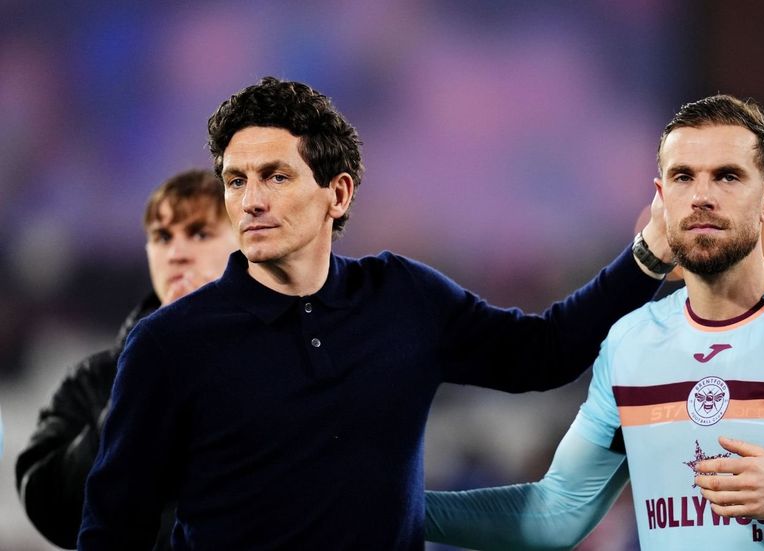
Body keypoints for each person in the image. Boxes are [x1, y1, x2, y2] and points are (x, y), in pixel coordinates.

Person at [77, 76, 672, 550]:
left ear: (337, 194)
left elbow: (545, 353)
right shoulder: (170, 344)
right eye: (236, 181)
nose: (250, 200)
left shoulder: (402, 298)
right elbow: (114, 529)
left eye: (275, 176)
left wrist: (648, 256)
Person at [425, 95, 764, 550]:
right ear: (662, 198)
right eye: (684, 176)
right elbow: (557, 511)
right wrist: (401, 510)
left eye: (728, 176)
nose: (702, 195)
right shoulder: (630, 342)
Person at [16, 169, 237, 550]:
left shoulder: (296, 361)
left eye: (199, 233)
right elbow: (49, 509)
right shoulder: (94, 379)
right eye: (162, 237)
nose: (177, 253)